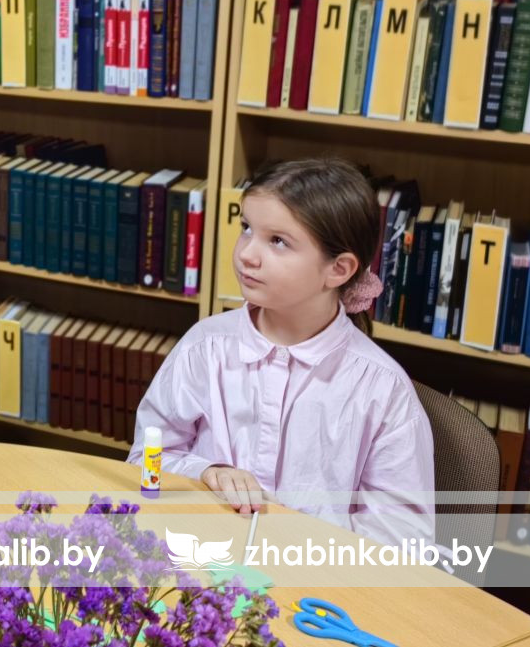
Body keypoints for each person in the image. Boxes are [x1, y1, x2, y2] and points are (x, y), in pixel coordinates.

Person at [128, 157, 435, 546]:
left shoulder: (384, 390)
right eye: (246, 229)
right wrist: (206, 472)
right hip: (201, 559)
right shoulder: (204, 347)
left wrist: (294, 530)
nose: (246, 254)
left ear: (338, 270)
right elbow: (144, 462)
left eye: (277, 241)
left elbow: (405, 541)